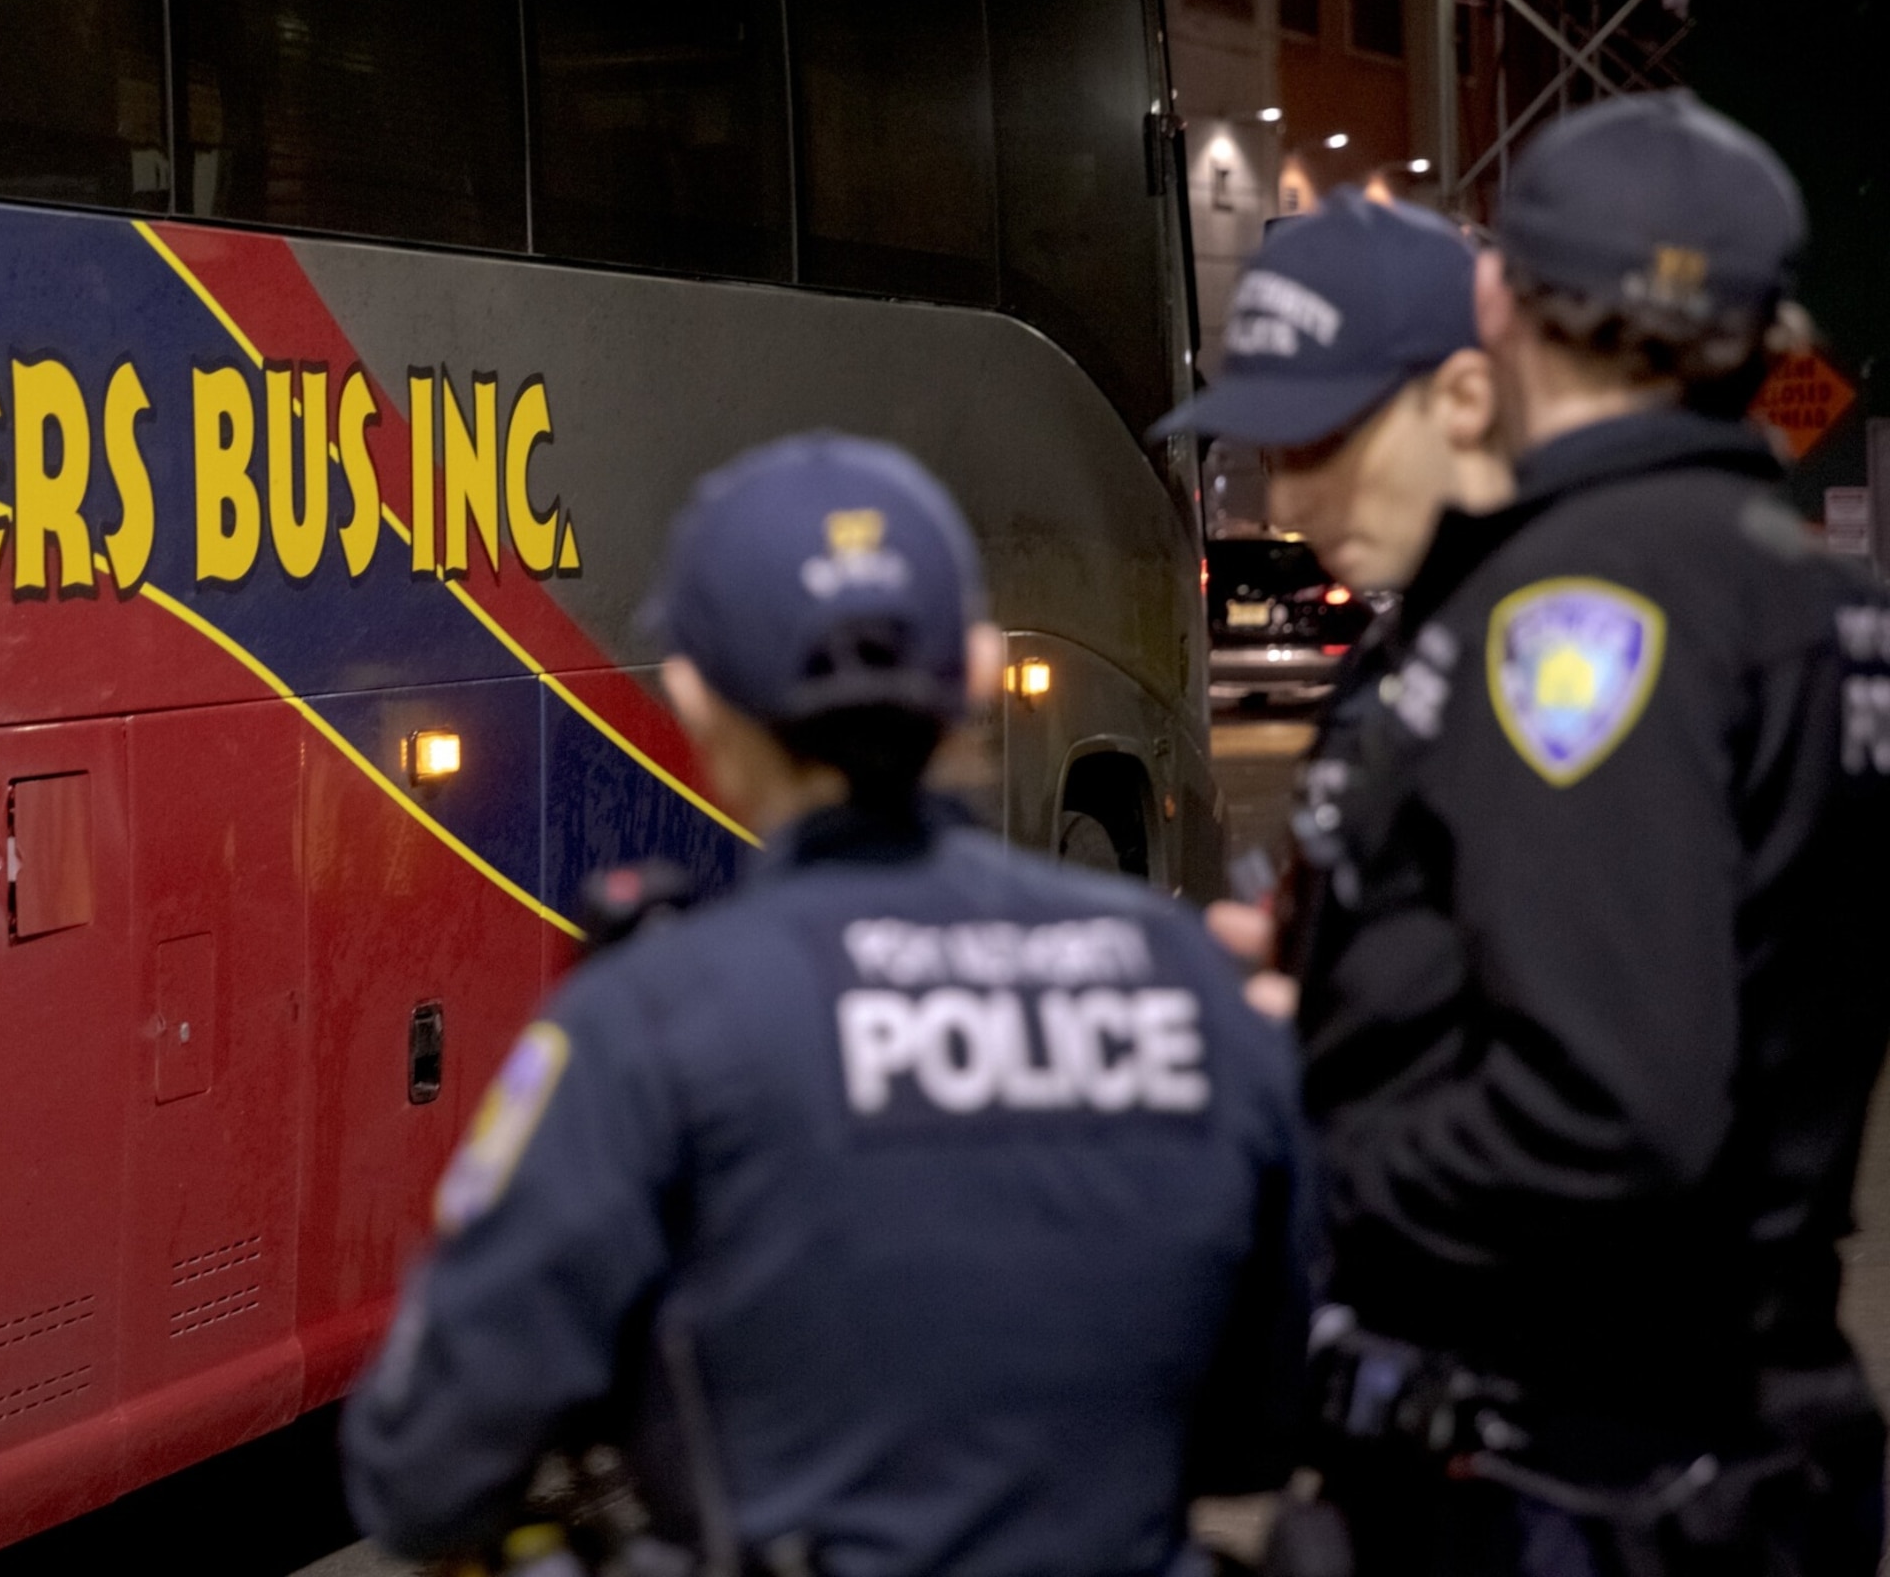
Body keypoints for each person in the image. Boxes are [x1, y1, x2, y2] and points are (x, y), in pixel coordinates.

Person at [339, 434, 1312, 1574]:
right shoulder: (1186, 978)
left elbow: (425, 1464)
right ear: (980, 668)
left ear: (697, 695)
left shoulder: (649, 1021)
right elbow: (1263, 1427)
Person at [1267, 94, 1890, 1574]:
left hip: (1571, 1469)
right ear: (1762, 330)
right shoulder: (1829, 606)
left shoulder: (1577, 612)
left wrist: (1309, 1152)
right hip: (1761, 1416)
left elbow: (1606, 1105)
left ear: (1498, 299)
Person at [1148, 187, 1517, 1005]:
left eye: (1322, 444)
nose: (1285, 507)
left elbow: (1608, 1091)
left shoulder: (1552, 654)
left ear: (1464, 400)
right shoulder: (1414, 645)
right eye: (1278, 455)